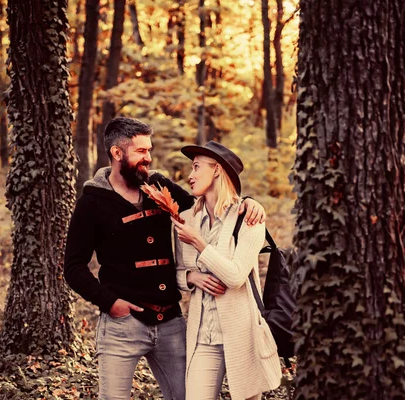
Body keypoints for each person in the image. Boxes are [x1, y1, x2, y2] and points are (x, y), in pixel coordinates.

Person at [63, 117, 266, 400]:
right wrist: (110, 302)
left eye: (149, 149)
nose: (148, 158)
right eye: (141, 151)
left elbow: (205, 204)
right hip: (122, 326)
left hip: (170, 322)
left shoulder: (157, 184)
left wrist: (248, 202)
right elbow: (73, 267)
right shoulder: (92, 202)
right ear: (117, 153)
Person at [172, 141, 282, 400]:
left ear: (218, 170)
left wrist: (198, 243)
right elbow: (178, 272)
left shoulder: (249, 218)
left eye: (197, 167)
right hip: (203, 335)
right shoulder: (187, 219)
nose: (190, 175)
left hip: (242, 335)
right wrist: (191, 277)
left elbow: (234, 276)